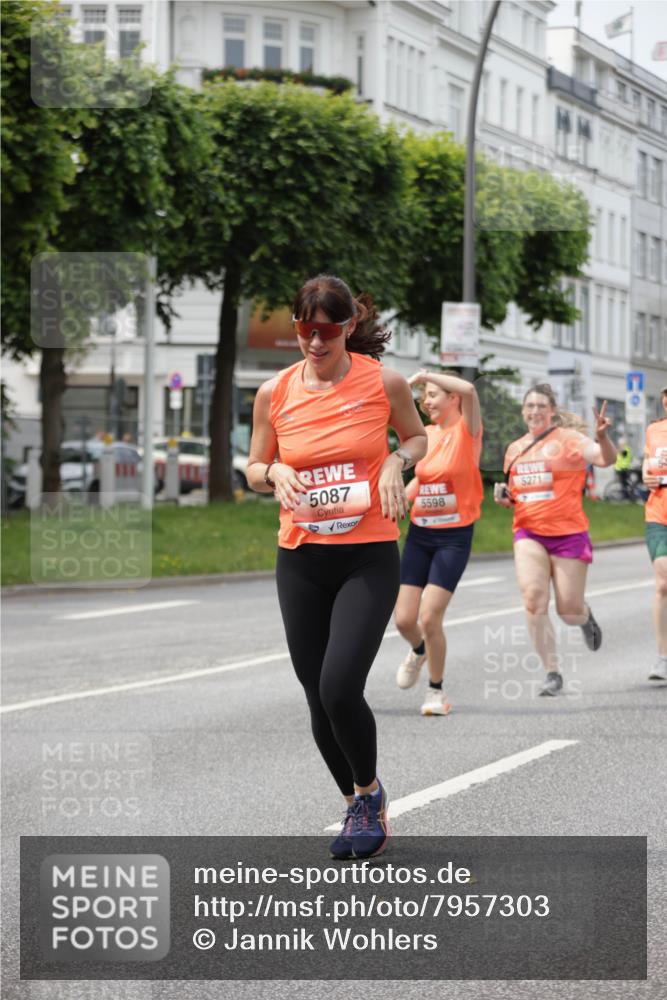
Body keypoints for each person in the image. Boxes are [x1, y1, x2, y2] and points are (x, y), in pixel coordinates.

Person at [246, 275, 427, 859]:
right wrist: (272, 473)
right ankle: (360, 801)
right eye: (304, 331)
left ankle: (368, 794)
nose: (314, 343)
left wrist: (397, 462)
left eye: (325, 332)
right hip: (300, 557)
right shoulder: (274, 392)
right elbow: (252, 462)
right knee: (315, 695)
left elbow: (419, 439)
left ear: (348, 327)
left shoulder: (384, 383)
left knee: (339, 685)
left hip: (366, 556)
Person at [494, 384, 616, 696]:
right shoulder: (515, 449)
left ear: (552, 411)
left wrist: (602, 436)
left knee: (569, 609)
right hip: (528, 532)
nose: (534, 411)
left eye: (540, 406)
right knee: (534, 600)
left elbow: (604, 460)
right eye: (529, 406)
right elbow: (518, 493)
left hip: (568, 533)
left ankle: (585, 618)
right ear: (523, 412)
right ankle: (552, 672)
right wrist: (505, 498)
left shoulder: (570, 440)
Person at [394, 370, 483, 716]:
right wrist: (400, 497)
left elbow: (471, 389)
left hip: (453, 537)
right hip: (420, 534)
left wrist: (426, 374)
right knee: (404, 619)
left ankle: (436, 691)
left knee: (430, 618)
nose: (426, 401)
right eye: (425, 395)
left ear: (453, 399)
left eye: (433, 395)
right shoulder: (426, 435)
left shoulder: (467, 432)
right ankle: (418, 650)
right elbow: (422, 479)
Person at [642, 383, 667, 682]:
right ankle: (663, 657)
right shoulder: (654, 431)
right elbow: (648, 466)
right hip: (658, 515)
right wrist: (646, 475)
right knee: (663, 583)